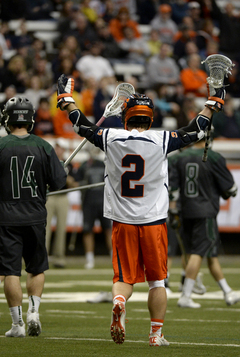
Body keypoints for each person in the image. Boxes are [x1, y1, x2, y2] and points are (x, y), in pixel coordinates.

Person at [55, 72, 226, 346]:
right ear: (150, 117)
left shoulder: (110, 136)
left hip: (122, 221)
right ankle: (156, 335)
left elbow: (81, 125)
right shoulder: (163, 140)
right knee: (157, 282)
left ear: (126, 116)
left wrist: (65, 100)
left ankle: (120, 300)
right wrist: (214, 100)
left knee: (124, 278)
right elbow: (198, 128)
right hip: (154, 221)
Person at [0, 97, 67, 337]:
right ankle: (34, 313)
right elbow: (59, 182)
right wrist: (61, 168)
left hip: (6, 218)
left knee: (10, 272)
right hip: (36, 216)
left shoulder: (1, 146)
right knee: (36, 268)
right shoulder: (43, 146)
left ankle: (17, 324)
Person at [168, 136, 239, 308]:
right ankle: (186, 294)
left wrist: (173, 211)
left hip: (185, 211)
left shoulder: (177, 158)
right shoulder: (213, 157)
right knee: (198, 252)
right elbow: (230, 189)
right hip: (204, 210)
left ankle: (227, 291)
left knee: (207, 253)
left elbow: (173, 189)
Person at [74, 144, 112, 269]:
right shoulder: (84, 165)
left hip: (103, 202)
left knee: (108, 230)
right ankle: (89, 259)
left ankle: (113, 257)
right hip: (88, 203)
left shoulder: (103, 164)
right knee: (87, 230)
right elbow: (76, 183)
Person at [45, 138, 78, 268]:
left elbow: (74, 183)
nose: (57, 150)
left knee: (61, 229)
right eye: (56, 147)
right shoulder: (48, 161)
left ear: (63, 150)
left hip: (63, 196)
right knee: (45, 229)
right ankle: (43, 257)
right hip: (50, 196)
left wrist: (66, 177)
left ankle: (59, 258)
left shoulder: (69, 164)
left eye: (59, 148)